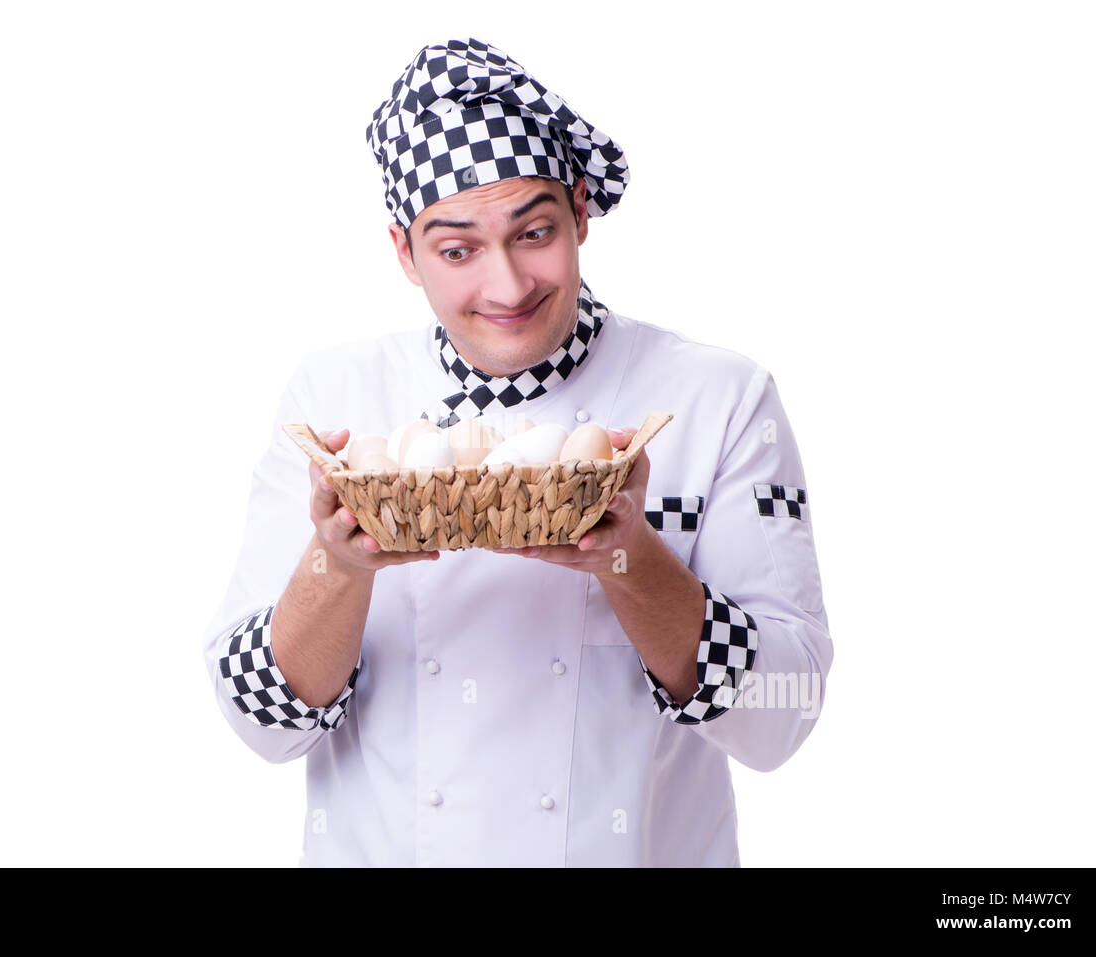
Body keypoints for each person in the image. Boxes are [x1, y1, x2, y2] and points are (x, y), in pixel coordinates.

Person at [201, 37, 832, 866]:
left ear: (579, 210)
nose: (507, 286)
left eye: (534, 232)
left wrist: (628, 557)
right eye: (457, 249)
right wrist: (339, 567)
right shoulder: (336, 408)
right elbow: (260, 724)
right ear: (404, 251)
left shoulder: (718, 399)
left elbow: (782, 711)